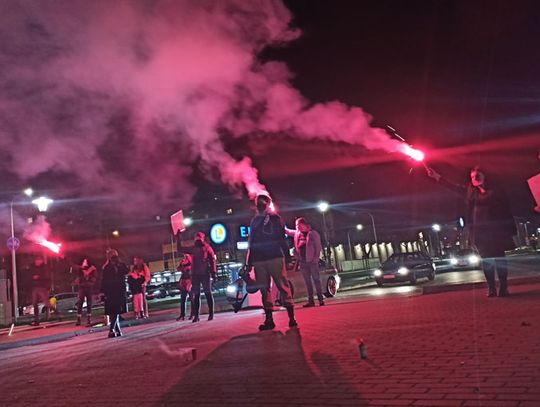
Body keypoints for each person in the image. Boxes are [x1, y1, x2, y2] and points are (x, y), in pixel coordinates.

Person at [427, 165, 515, 297]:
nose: (475, 178)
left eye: (477, 175)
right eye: (473, 177)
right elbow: (454, 187)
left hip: (496, 232)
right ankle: (491, 288)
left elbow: (505, 208)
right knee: (486, 261)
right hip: (480, 233)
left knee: (500, 259)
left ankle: (504, 287)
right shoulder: (470, 192)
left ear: (485, 176)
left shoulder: (496, 191)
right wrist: (437, 177)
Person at [246, 194, 297, 331]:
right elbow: (282, 239)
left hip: (260, 259)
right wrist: (287, 257)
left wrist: (249, 262)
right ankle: (291, 318)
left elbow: (252, 243)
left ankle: (270, 320)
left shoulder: (256, 221)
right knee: (282, 286)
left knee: (266, 289)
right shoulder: (275, 219)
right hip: (274, 257)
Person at [286, 217, 324, 307]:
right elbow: (287, 231)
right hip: (303, 262)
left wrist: (315, 259)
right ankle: (311, 301)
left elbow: (318, 247)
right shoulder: (297, 234)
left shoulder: (313, 234)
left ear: (303, 224)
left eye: (298, 225)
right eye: (296, 225)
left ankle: (320, 299)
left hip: (312, 262)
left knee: (316, 280)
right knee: (307, 282)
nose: (296, 227)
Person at [178, 232, 216, 322]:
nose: (197, 239)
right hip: (196, 274)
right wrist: (178, 237)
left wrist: (214, 272)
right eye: (196, 237)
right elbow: (180, 249)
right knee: (197, 295)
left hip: (204, 273)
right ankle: (197, 316)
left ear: (202, 238)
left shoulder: (206, 248)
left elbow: (212, 260)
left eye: (199, 237)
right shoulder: (194, 248)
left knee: (207, 293)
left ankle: (210, 314)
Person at [100, 249, 129, 337]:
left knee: (116, 311)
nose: (113, 258)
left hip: (119, 290)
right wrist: (102, 292)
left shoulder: (120, 265)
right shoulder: (106, 267)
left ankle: (115, 330)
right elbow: (104, 280)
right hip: (110, 291)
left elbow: (126, 271)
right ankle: (113, 330)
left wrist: (119, 263)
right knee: (114, 311)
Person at [29, 256, 51, 326]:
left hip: (42, 287)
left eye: (38, 260)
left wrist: (39, 277)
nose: (37, 262)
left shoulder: (45, 268)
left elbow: (47, 277)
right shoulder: (33, 268)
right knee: (34, 303)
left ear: (41, 261)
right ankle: (36, 320)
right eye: (36, 260)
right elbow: (30, 275)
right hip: (35, 287)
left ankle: (58, 314)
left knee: (46, 303)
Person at [75, 258, 97, 326]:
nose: (84, 263)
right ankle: (79, 318)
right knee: (80, 302)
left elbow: (94, 277)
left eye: (86, 261)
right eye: (83, 261)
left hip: (89, 287)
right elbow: (78, 278)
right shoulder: (80, 270)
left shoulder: (92, 269)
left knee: (89, 302)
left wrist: (89, 278)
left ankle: (88, 318)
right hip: (82, 287)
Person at [176, 254, 193, 321]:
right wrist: (182, 265)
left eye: (186, 255)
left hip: (190, 281)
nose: (185, 256)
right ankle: (182, 315)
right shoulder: (183, 262)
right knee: (183, 299)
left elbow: (190, 271)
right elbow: (178, 269)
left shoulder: (191, 263)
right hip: (183, 281)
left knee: (192, 299)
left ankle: (193, 314)